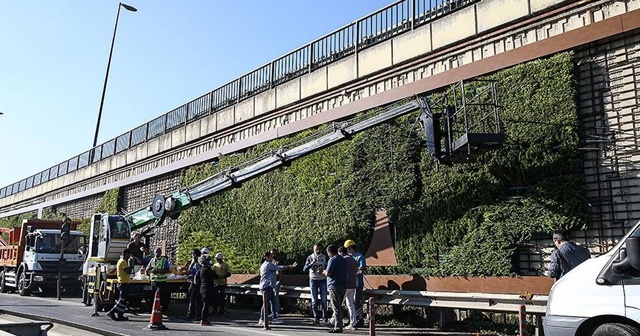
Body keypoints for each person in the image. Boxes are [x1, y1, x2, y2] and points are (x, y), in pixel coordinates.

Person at [258, 251, 297, 325]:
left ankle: (274, 317)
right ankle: (262, 318)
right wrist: (290, 266)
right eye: (270, 256)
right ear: (267, 257)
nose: (272, 257)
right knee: (266, 303)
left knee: (273, 302)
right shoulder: (268, 265)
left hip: (269, 286)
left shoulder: (265, 264)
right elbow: (279, 268)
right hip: (266, 286)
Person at [323, 244, 347, 333]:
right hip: (343, 285)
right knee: (339, 307)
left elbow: (328, 273)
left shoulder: (332, 260)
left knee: (336, 308)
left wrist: (323, 272)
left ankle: (338, 327)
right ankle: (339, 325)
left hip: (334, 286)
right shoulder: (343, 260)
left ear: (329, 252)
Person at [303, 243, 328, 324]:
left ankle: (325, 317)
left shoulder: (324, 257)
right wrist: (311, 263)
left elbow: (328, 267)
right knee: (314, 300)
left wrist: (324, 271)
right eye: (316, 249)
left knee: (324, 299)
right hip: (313, 280)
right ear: (313, 249)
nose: (318, 251)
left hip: (322, 280)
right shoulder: (310, 257)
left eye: (319, 249)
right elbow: (304, 269)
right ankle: (316, 317)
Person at [107, 249, 134, 321]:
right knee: (122, 300)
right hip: (123, 283)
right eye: (129, 254)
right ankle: (112, 311)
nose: (130, 256)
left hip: (125, 282)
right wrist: (132, 265)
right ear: (126, 254)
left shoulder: (124, 261)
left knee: (124, 300)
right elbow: (128, 271)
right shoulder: (122, 261)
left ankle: (120, 315)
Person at [345, 239, 366, 327]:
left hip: (358, 283)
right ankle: (352, 319)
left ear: (351, 248)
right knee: (350, 302)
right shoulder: (347, 257)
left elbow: (362, 267)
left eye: (348, 248)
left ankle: (360, 319)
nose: (347, 250)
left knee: (357, 301)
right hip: (350, 283)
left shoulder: (359, 256)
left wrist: (356, 272)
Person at [146, 247, 171, 312]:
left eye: (158, 252)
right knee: (152, 296)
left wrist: (158, 271)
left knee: (161, 296)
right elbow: (148, 268)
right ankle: (153, 309)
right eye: (156, 252)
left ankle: (161, 309)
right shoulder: (152, 260)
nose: (157, 254)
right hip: (153, 281)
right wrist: (148, 270)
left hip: (161, 281)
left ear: (160, 253)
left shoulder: (164, 260)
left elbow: (167, 270)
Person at [339, 246, 358, 330]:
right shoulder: (353, 259)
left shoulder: (344, 260)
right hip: (353, 285)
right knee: (351, 304)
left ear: (341, 253)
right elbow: (356, 271)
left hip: (345, 285)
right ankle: (353, 322)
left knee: (338, 303)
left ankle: (334, 321)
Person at [183, 248, 202, 321]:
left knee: (192, 299)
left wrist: (188, 272)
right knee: (197, 299)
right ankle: (198, 315)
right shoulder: (195, 261)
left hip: (195, 283)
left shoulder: (197, 262)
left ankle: (191, 315)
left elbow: (195, 271)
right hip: (194, 282)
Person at [198, 254, 217, 326]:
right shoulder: (207, 269)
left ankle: (203, 319)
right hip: (207, 288)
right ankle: (203, 320)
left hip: (202, 288)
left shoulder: (201, 269)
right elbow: (216, 276)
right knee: (206, 305)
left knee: (204, 305)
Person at [270, 248, 283, 321]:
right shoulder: (269, 262)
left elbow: (280, 271)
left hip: (277, 281)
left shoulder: (277, 262)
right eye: (272, 253)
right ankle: (273, 312)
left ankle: (276, 311)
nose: (273, 255)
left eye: (274, 253)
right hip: (271, 281)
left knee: (275, 296)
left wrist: (280, 280)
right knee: (271, 297)